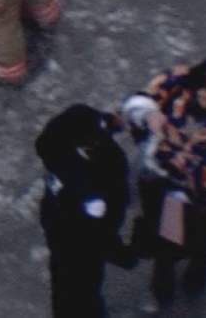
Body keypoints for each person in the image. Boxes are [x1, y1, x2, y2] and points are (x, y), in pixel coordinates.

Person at [120, 58, 206, 312]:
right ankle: (162, 291)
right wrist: (147, 114)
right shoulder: (176, 82)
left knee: (201, 240)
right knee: (166, 242)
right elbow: (137, 102)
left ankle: (197, 272)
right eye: (201, 94)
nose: (205, 100)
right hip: (165, 181)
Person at [36, 104, 137, 318]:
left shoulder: (108, 162)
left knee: (78, 287)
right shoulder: (60, 149)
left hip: (77, 237)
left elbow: (112, 213)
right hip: (67, 233)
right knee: (71, 286)